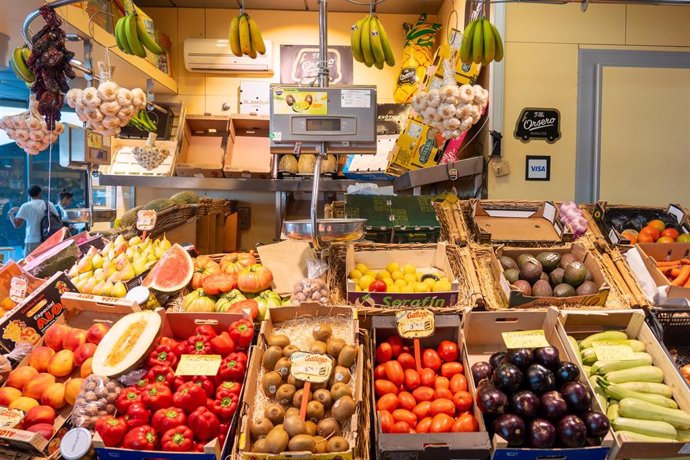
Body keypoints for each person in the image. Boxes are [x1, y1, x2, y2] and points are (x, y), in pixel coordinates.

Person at [7, 185, 60, 257]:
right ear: (40, 193)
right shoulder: (49, 204)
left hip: (31, 240)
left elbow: (16, 225)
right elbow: (58, 219)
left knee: (29, 265)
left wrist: (10, 214)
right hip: (47, 239)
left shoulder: (26, 206)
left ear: (29, 195)